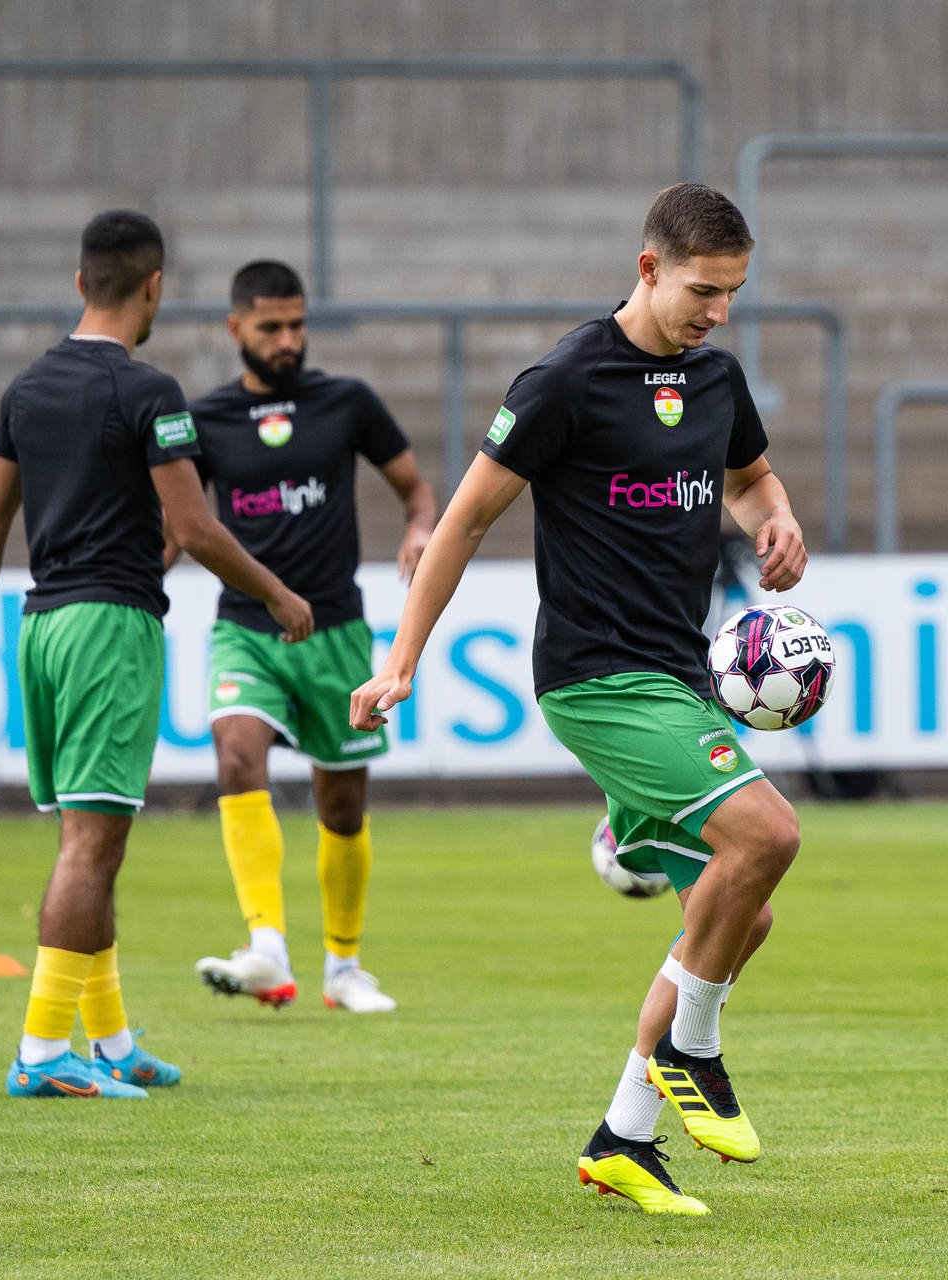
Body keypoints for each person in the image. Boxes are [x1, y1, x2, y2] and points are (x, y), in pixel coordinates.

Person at [349, 183, 803, 1216]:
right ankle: (693, 1048)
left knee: (742, 913)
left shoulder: (718, 378)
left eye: (733, 292)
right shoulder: (565, 381)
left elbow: (749, 480)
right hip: (598, 675)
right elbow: (461, 521)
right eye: (702, 290)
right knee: (768, 835)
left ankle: (624, 1137)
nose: (717, 311)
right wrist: (402, 657)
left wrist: (777, 517)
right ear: (648, 269)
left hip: (679, 673)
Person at [0, 211, 313, 1101]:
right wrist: (276, 592)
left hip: (39, 626)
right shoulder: (150, 390)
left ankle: (107, 1040)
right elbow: (192, 528)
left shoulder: (26, 388)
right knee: (92, 844)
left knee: (92, 840)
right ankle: (42, 1053)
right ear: (154, 286)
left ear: (81, 283)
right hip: (110, 627)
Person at [182, 261, 437, 1015]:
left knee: (342, 809)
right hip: (246, 628)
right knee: (235, 753)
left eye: (297, 325)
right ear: (236, 329)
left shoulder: (347, 402)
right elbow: (181, 525)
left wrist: (420, 528)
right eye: (271, 327)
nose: (288, 340)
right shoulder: (207, 420)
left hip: (336, 631)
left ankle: (343, 969)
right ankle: (266, 946)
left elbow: (417, 493)